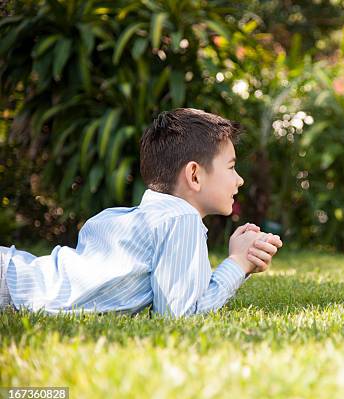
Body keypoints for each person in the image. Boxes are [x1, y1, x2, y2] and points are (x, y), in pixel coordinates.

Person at [0, 108, 282, 316]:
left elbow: (183, 292)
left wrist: (240, 263)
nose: (239, 179)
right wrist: (237, 263)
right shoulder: (181, 219)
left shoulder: (129, 218)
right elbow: (180, 315)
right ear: (194, 175)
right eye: (231, 167)